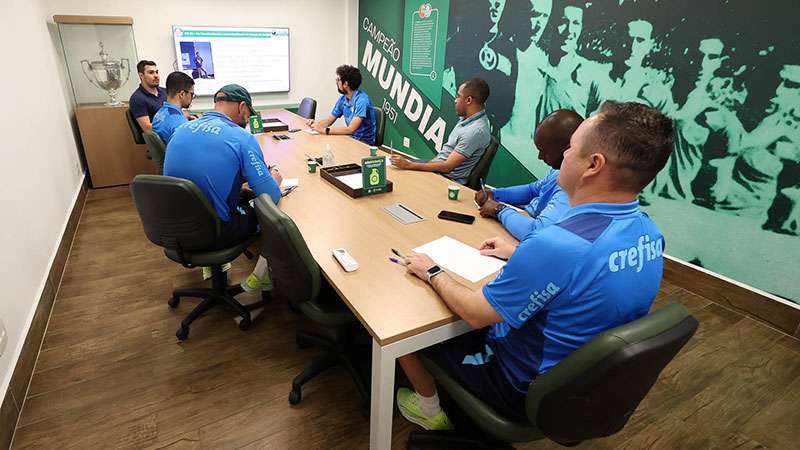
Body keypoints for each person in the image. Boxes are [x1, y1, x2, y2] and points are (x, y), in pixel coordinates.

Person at [393, 101, 673, 430]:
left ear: (593, 165)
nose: (563, 157)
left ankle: (431, 412)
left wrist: (431, 270)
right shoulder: (649, 234)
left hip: (518, 387)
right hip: (581, 386)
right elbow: (585, 278)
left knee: (404, 323)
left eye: (571, 149)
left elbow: (475, 312)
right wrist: (518, 254)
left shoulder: (555, 245)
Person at [164, 84, 282, 291]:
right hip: (214, 233)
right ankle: (260, 279)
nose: (247, 121)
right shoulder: (241, 138)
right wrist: (274, 178)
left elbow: (200, 178)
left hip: (173, 230)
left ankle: (212, 268)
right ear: (242, 107)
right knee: (274, 218)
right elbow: (270, 194)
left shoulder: (181, 129)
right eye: (248, 115)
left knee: (238, 198)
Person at [475, 109, 583, 240]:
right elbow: (533, 190)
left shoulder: (574, 186)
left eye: (544, 151)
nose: (540, 157)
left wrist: (499, 209)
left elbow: (537, 232)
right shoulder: (558, 170)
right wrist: (495, 194)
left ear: (567, 150)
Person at [391, 78, 491, 185]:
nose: (455, 100)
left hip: (446, 180)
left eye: (458, 96)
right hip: (438, 170)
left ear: (469, 100)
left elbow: (447, 167)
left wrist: (409, 165)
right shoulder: (467, 118)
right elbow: (444, 156)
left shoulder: (475, 131)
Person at [306, 65, 377, 145]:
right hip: (351, 139)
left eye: (338, 80)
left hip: (363, 144)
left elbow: (350, 129)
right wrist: (316, 125)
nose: (336, 82)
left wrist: (325, 130)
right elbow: (329, 121)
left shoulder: (362, 101)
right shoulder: (343, 99)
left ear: (345, 84)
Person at [152, 72, 195, 146]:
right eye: (192, 94)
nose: (192, 97)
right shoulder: (180, 124)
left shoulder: (160, 113)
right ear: (182, 94)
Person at [129, 60, 166, 132]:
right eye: (151, 72)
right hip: (164, 137)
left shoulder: (165, 91)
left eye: (157, 72)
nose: (156, 75)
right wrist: (171, 125)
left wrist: (187, 117)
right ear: (141, 76)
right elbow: (147, 128)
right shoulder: (137, 98)